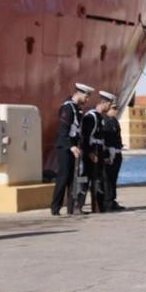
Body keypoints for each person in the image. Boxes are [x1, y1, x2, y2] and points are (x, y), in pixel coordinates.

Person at [48, 84, 92, 216]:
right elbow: (62, 132)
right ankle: (55, 208)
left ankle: (72, 208)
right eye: (86, 96)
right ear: (78, 93)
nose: (87, 100)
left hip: (73, 147)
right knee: (64, 177)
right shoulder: (67, 108)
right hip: (65, 148)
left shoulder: (76, 109)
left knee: (73, 179)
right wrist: (71, 146)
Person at [96, 91, 126, 211]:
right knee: (107, 180)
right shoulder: (105, 121)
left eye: (116, 108)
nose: (115, 110)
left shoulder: (114, 121)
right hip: (110, 154)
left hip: (117, 153)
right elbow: (106, 140)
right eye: (113, 108)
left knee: (113, 179)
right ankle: (107, 202)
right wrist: (108, 155)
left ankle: (112, 200)